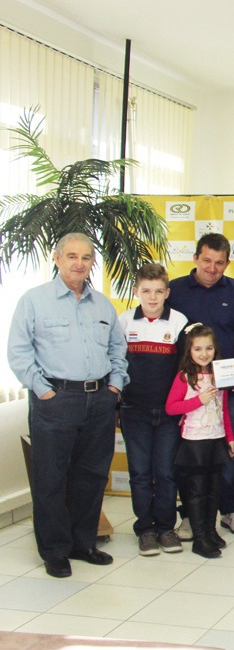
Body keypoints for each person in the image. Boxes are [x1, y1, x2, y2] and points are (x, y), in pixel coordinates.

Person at [8, 233, 128, 578]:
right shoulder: (34, 301)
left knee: (91, 476)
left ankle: (83, 543)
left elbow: (117, 351)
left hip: (100, 400)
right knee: (51, 478)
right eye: (72, 256)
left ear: (92, 263)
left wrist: (115, 388)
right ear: (57, 258)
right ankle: (55, 551)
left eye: (86, 257)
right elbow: (18, 351)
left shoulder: (103, 304)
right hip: (57, 400)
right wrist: (44, 391)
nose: (79, 263)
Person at [168, 233, 234, 538]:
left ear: (228, 263)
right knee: (187, 454)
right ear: (195, 258)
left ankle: (231, 511)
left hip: (225, 386)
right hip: (186, 386)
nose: (212, 268)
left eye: (219, 263)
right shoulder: (174, 290)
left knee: (226, 449)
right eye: (206, 260)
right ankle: (189, 515)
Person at [118, 262, 189, 556]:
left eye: (159, 291)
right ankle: (145, 529)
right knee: (139, 473)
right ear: (136, 291)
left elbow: (185, 369)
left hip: (169, 414)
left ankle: (166, 527)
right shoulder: (124, 322)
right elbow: (116, 364)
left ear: (167, 292)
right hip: (134, 411)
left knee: (166, 472)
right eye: (146, 291)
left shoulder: (179, 322)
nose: (152, 297)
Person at [165, 324, 234, 558]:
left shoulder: (219, 376)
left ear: (215, 350)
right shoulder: (184, 377)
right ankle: (199, 538)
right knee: (196, 491)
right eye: (198, 349)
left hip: (216, 440)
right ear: (190, 351)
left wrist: (230, 437)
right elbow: (171, 407)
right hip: (195, 441)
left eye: (208, 348)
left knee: (214, 489)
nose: (203, 354)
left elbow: (224, 408)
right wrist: (198, 400)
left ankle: (210, 529)